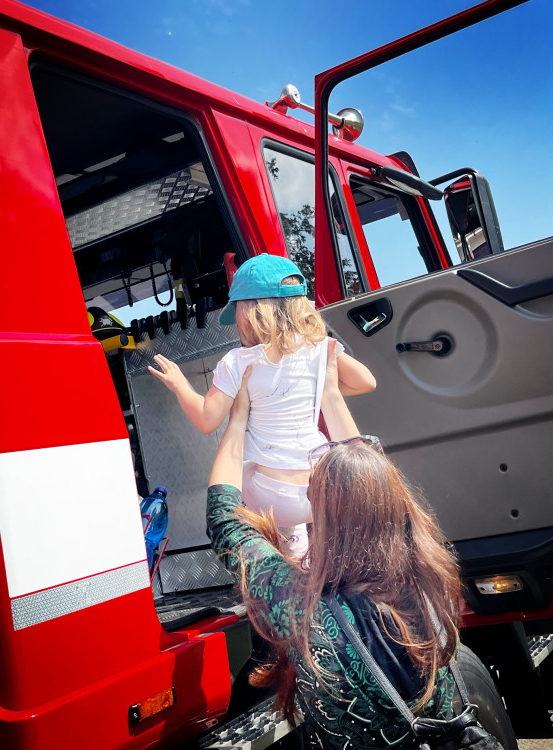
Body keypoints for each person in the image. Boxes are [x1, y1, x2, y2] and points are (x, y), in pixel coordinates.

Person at [206, 340, 464, 749]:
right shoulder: (424, 574)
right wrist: (327, 392)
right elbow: (374, 479)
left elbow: (225, 519)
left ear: (321, 518)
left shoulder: (306, 611)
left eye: (310, 495)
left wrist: (237, 422)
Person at [150, 254, 375, 556]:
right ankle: (301, 546)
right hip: (321, 488)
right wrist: (318, 386)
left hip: (270, 496)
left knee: (242, 470)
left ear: (249, 311)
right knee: (303, 485)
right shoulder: (320, 348)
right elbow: (366, 382)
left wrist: (179, 383)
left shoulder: (237, 362)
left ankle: (283, 549)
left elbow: (207, 420)